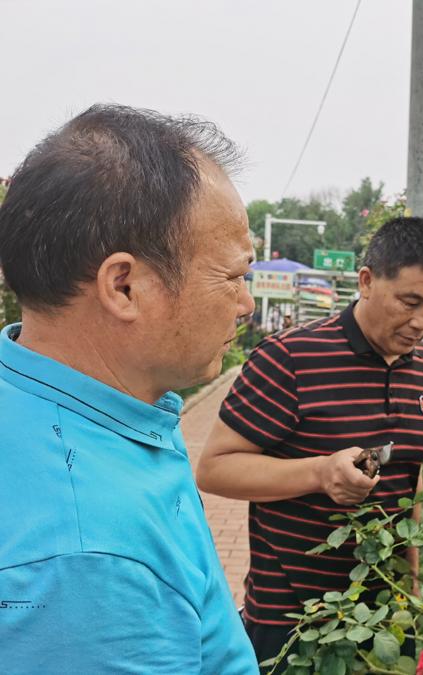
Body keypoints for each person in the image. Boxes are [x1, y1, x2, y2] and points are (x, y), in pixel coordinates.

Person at [0, 105, 258, 672]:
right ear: (125, 286)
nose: (246, 304)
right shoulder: (91, 557)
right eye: (235, 275)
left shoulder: (60, 398)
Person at [196, 217, 423, 667]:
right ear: (367, 281)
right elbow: (215, 468)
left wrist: (410, 588)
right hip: (292, 618)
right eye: (410, 301)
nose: (422, 322)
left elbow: (408, 480)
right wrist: (319, 472)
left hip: (385, 614)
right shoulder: (290, 358)